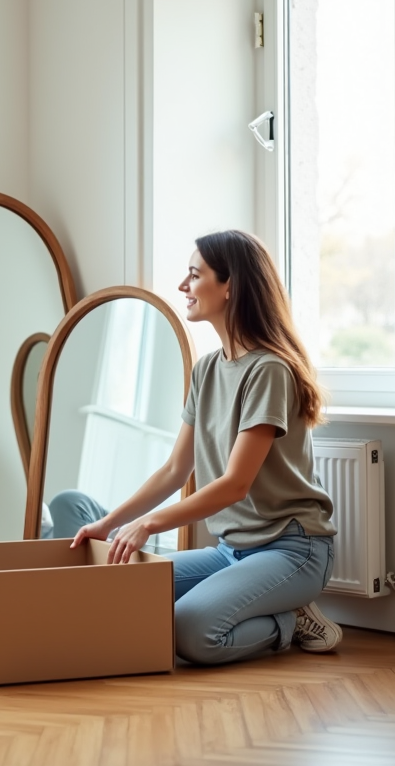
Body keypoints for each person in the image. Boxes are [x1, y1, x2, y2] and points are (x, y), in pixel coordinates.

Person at [70, 229, 342, 665]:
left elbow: (235, 484)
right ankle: (270, 604)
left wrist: (150, 525)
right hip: (229, 551)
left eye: (194, 275)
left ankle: (288, 620)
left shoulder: (269, 370)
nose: (183, 286)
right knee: (121, 592)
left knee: (190, 632)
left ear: (229, 285)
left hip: (293, 549)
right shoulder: (206, 370)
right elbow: (174, 470)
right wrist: (110, 523)